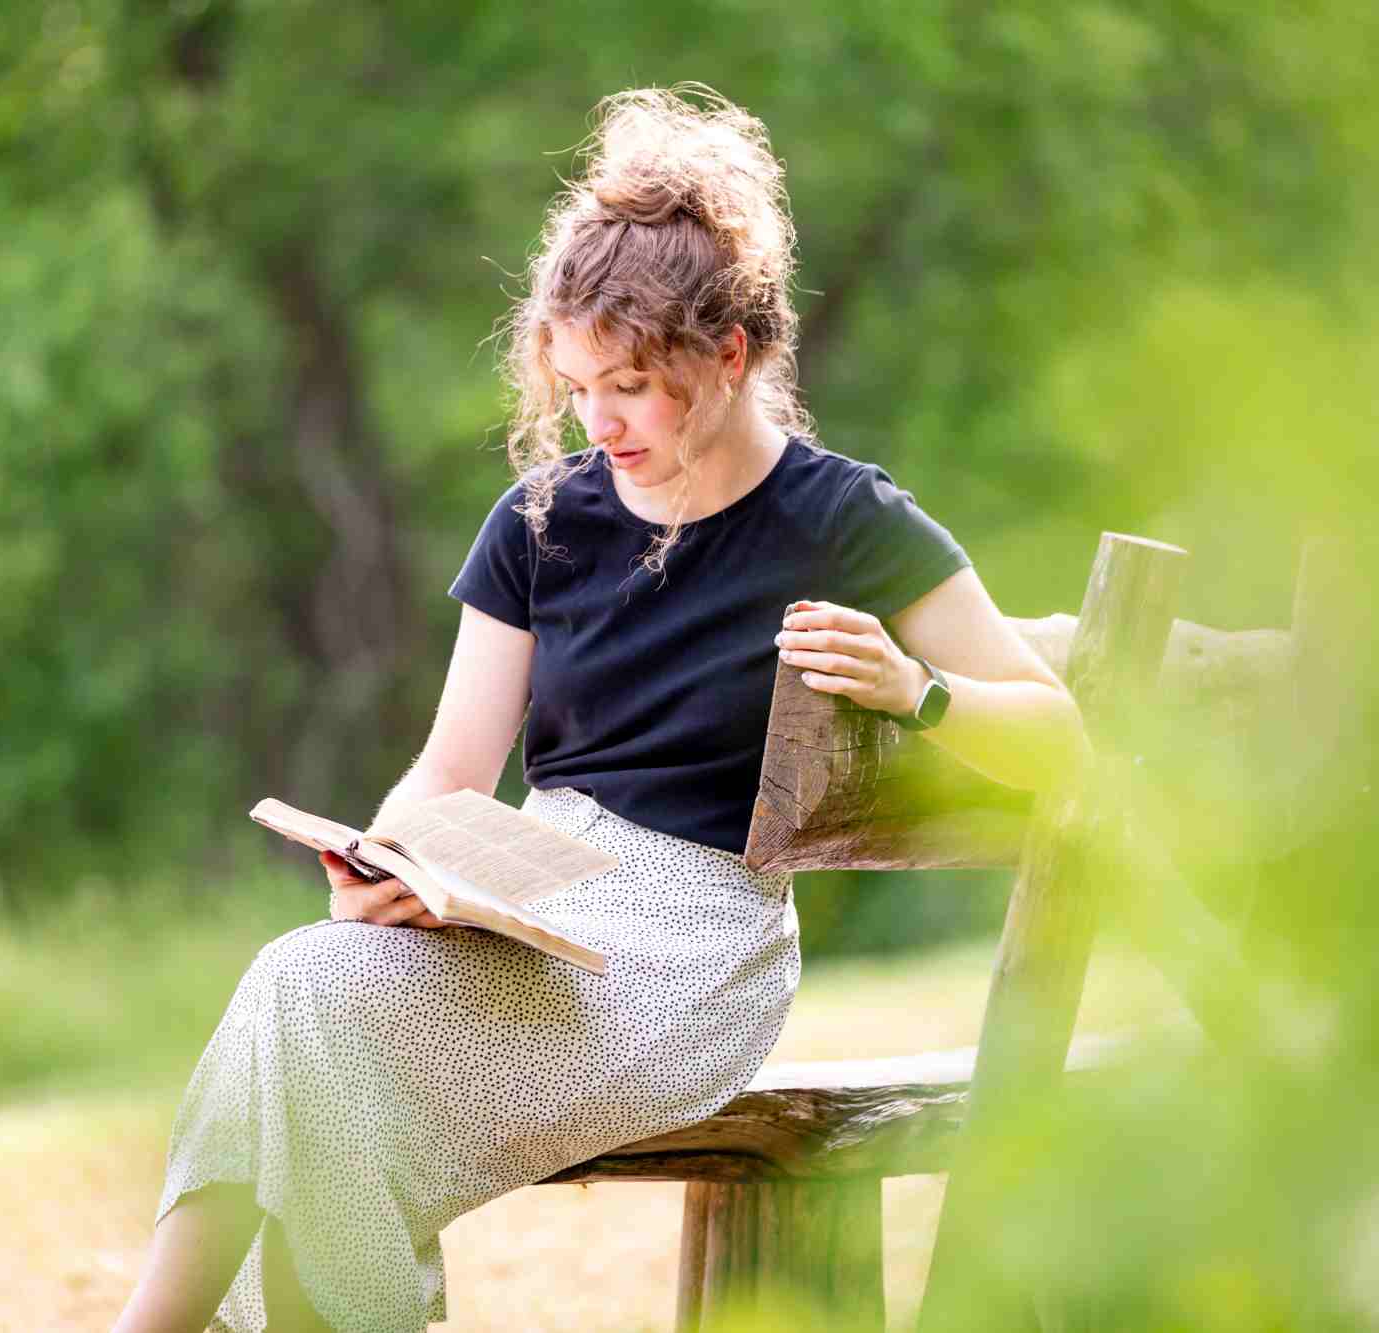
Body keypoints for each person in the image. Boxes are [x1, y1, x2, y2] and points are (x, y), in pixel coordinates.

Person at [111, 84, 1087, 1333]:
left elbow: (1056, 734)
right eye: (575, 386)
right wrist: (386, 863)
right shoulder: (541, 522)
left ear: (727, 355)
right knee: (307, 982)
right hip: (539, 902)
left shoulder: (842, 519)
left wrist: (918, 691)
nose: (598, 419)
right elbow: (450, 769)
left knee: (303, 1024)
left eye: (629, 383)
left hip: (697, 947)